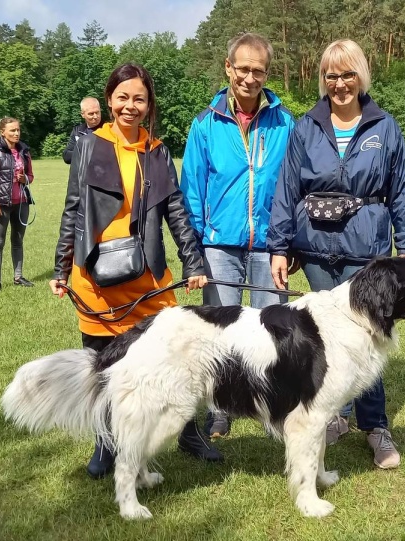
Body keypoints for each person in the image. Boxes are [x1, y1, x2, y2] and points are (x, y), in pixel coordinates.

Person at [49, 63, 221, 480]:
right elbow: (74, 208)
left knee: (174, 361)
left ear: (149, 105)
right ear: (109, 100)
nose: (130, 106)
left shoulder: (157, 151)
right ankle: (106, 442)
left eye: (139, 98)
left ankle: (187, 431)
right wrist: (60, 266)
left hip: (147, 280)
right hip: (96, 280)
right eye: (122, 97)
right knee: (103, 366)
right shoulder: (90, 145)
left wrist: (193, 261)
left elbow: (176, 210)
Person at [267, 39, 405, 470]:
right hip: (316, 251)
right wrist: (279, 247)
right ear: (324, 80)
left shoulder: (384, 127)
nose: (340, 84)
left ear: (361, 76)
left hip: (366, 253)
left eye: (348, 74)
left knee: (369, 336)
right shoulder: (306, 127)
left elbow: (401, 188)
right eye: (331, 76)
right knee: (327, 342)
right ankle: (333, 416)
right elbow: (286, 189)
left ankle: (375, 426)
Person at [180, 32, 296, 439]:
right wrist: (194, 248)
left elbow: (293, 186)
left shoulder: (285, 121)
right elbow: (191, 188)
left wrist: (288, 242)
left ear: (267, 74)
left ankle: (272, 409)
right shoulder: (205, 123)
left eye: (258, 71)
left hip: (269, 245)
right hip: (218, 245)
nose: (250, 77)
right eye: (242, 68)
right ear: (228, 67)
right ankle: (221, 409)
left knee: (274, 332)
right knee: (219, 333)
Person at [0, 117, 35, 293]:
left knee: (18, 241)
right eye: (12, 130)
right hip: (1, 204)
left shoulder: (24, 151)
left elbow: (31, 176)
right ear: (2, 132)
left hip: (21, 203)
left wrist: (24, 179)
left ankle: (18, 277)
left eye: (18, 130)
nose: (16, 133)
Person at [62, 97, 103, 164]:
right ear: (83, 114)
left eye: (97, 112)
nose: (95, 116)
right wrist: (87, 153)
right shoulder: (77, 131)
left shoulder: (108, 129)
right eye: (91, 114)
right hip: (81, 174)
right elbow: (67, 157)